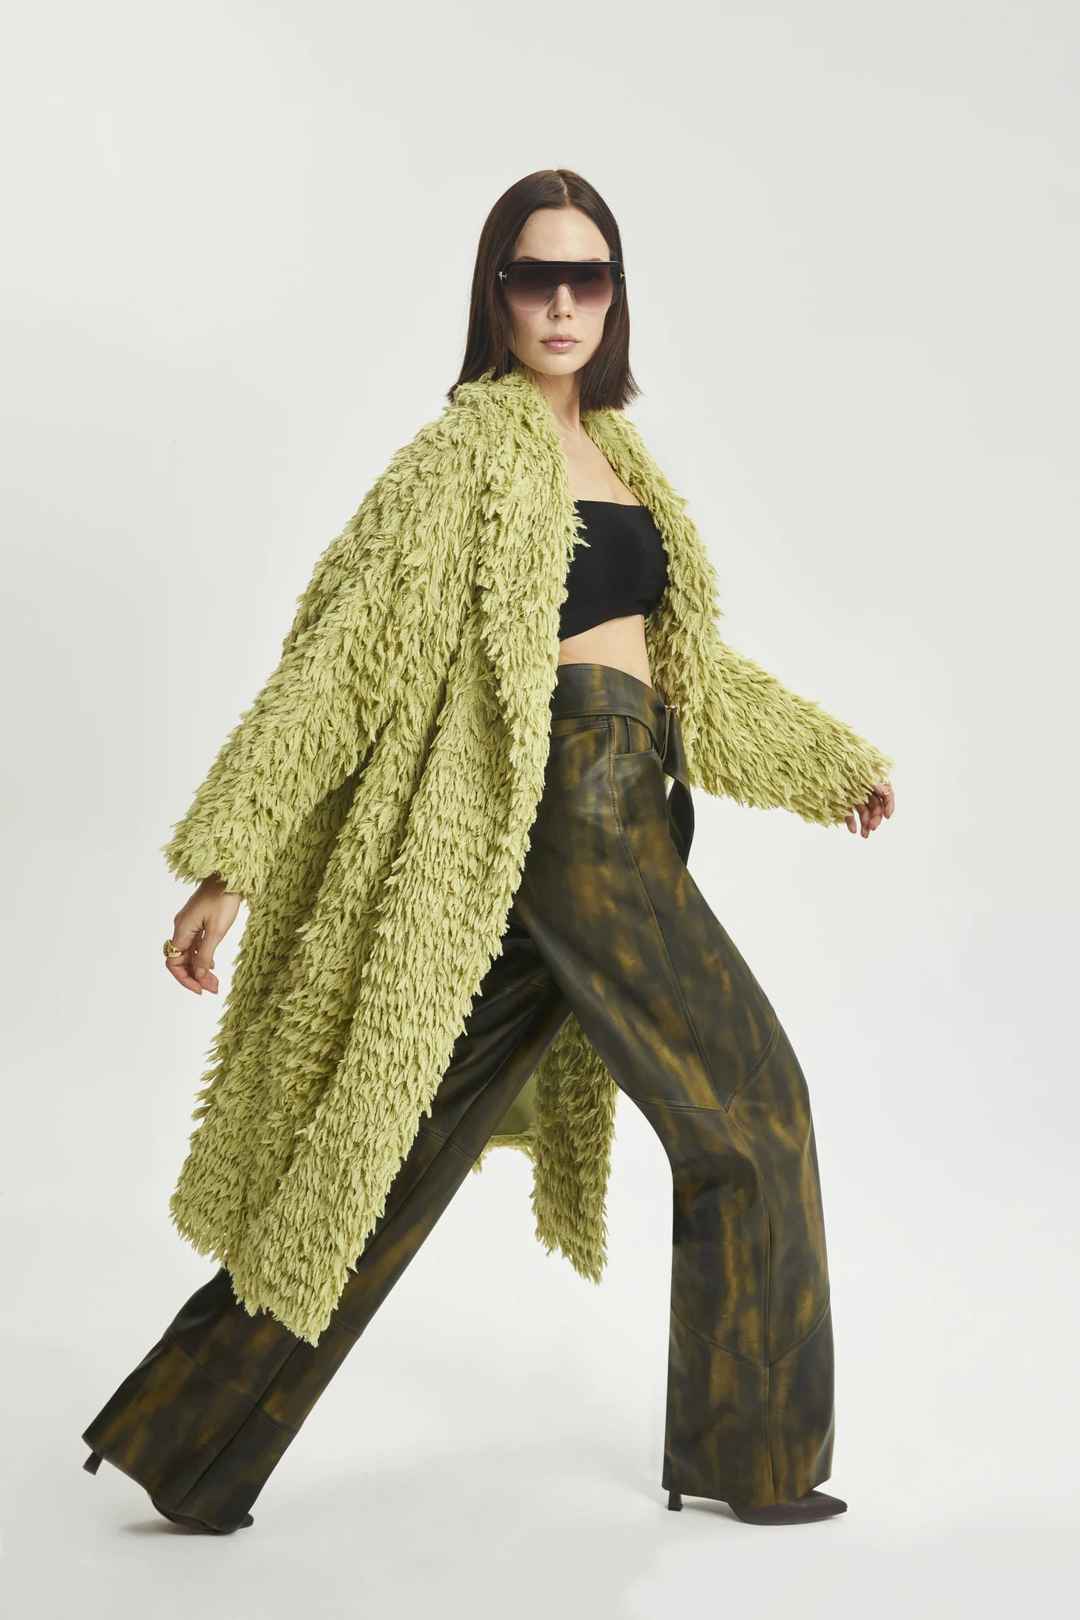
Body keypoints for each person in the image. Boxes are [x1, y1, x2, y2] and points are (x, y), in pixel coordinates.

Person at [80, 168, 896, 1535]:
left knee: (391, 1141)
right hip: (572, 812)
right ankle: (752, 1460)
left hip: (607, 804)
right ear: (496, 294)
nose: (563, 304)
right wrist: (232, 861)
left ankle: (189, 1442)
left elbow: (692, 677)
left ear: (616, 296)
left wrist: (829, 765)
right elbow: (340, 661)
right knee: (755, 1110)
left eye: (588, 278)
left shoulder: (623, 460)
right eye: (535, 277)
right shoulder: (460, 460)